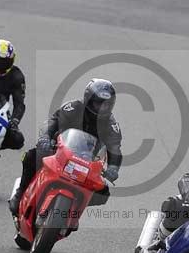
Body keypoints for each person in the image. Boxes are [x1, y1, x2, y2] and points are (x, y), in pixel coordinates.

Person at [9, 78, 123, 217]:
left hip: (87, 162)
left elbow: (115, 148)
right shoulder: (73, 107)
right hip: (60, 150)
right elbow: (52, 121)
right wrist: (45, 137)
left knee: (103, 192)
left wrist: (113, 168)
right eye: (98, 103)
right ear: (88, 99)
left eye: (106, 105)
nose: (102, 108)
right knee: (31, 156)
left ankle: (74, 211)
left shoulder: (111, 125)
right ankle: (20, 193)